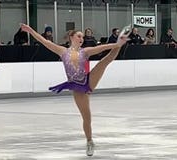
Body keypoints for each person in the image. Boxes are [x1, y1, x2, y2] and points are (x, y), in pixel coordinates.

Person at [21, 23, 130, 157]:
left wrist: (116, 44)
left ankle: (120, 44)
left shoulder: (85, 51)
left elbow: (101, 47)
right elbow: (43, 41)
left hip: (88, 80)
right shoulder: (62, 51)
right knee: (87, 117)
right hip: (77, 87)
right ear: (71, 37)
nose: (81, 39)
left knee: (104, 61)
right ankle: (89, 141)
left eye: (82, 37)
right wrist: (30, 30)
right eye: (79, 36)